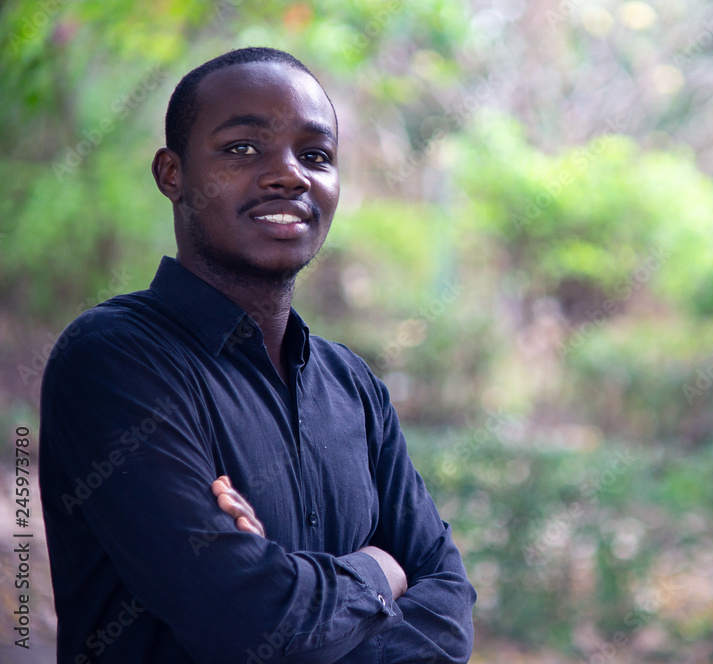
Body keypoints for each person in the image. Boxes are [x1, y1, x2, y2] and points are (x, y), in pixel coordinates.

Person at [39, 47, 476, 663]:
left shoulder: (352, 386)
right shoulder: (113, 362)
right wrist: (380, 572)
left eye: (316, 155)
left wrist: (296, 592)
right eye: (243, 148)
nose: (289, 174)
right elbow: (246, 622)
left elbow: (449, 619)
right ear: (172, 174)